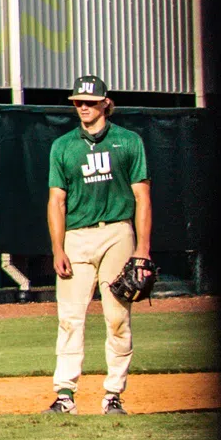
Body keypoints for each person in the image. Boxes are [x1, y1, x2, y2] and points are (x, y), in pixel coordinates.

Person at [45, 74, 154, 416]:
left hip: (117, 234)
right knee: (69, 318)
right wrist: (57, 248)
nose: (83, 108)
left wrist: (143, 249)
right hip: (76, 237)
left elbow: (143, 197)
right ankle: (65, 395)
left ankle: (113, 395)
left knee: (117, 318)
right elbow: (56, 201)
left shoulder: (129, 141)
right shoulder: (63, 146)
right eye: (78, 102)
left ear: (106, 103)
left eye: (90, 102)